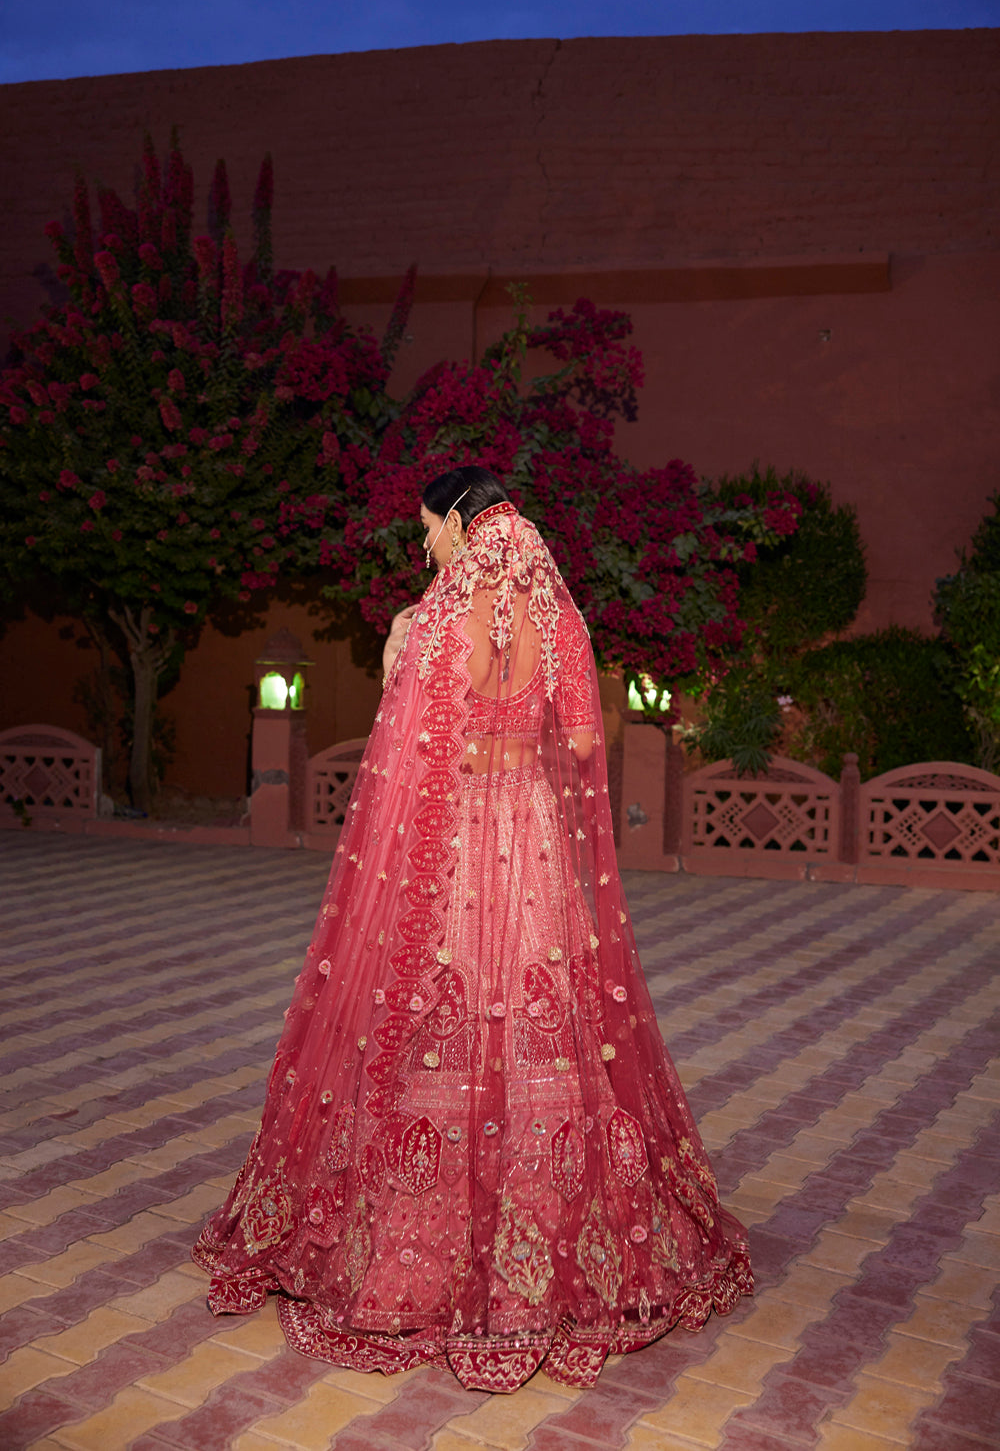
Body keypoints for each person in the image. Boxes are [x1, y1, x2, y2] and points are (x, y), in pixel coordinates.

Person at [193, 466, 752, 1392]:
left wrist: (397, 658)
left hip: (452, 838)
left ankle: (418, 1241)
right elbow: (580, 744)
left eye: (429, 529)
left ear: (462, 522)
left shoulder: (436, 623)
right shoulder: (561, 619)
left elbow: (404, 752)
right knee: (544, 1008)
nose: (425, 548)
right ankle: (566, 1238)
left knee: (425, 1012)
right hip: (529, 833)